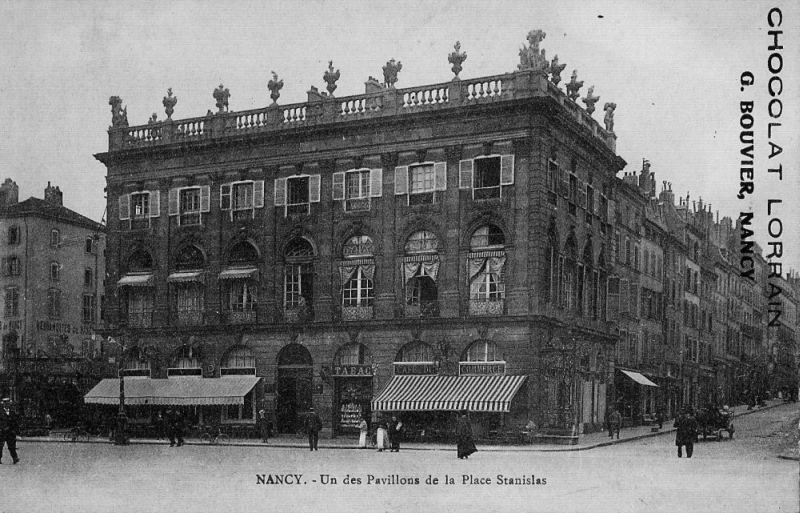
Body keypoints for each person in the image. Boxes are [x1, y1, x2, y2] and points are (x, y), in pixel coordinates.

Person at [0, 398, 20, 464]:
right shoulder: (0, 412)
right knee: (0, 446)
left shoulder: (12, 412)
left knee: (12, 446)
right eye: (5, 403)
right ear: (3, 404)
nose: (7, 405)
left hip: (10, 432)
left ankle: (15, 458)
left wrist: (16, 432)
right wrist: (2, 428)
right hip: (2, 432)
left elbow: (16, 423)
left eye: (8, 403)